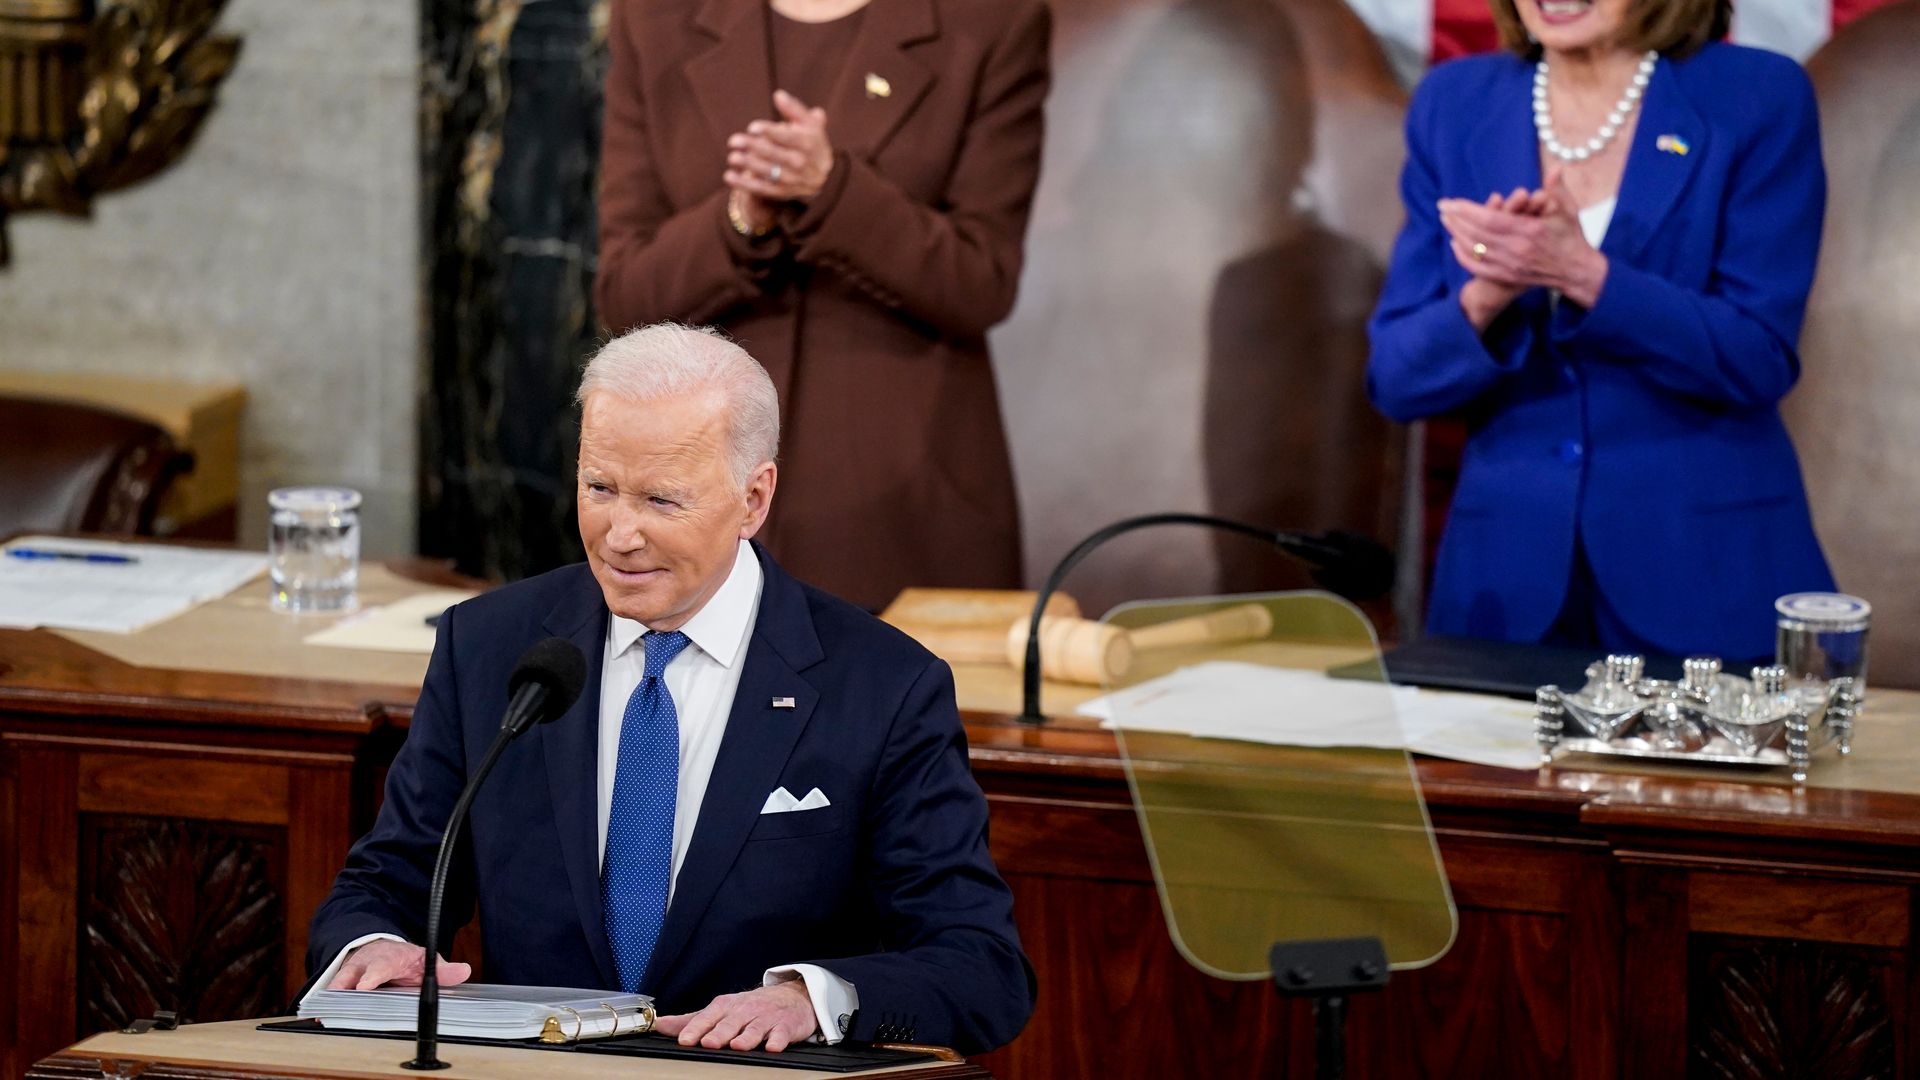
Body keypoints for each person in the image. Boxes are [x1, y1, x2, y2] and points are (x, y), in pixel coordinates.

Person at [305, 324, 1035, 1055]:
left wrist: (811, 1001)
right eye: (599, 488)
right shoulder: (491, 648)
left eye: (661, 501)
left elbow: (980, 965)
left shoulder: (884, 686)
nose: (620, 534)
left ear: (754, 498)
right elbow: (388, 879)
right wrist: (370, 948)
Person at [1366, 0, 1836, 660]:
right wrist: (1489, 294)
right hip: (1503, 592)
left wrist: (1585, 276)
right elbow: (1395, 378)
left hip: (1701, 581)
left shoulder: (1755, 95)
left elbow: (1757, 356)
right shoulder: (1456, 101)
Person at [592, 0, 1051, 611]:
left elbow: (981, 281)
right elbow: (626, 294)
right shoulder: (656, 17)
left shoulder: (992, 19)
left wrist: (833, 191)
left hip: (902, 504)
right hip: (691, 506)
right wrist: (740, 221)